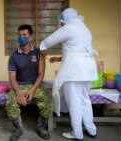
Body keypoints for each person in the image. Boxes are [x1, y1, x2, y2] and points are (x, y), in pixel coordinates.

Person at [40, 8, 98, 141]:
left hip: (75, 71)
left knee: (74, 101)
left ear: (66, 18)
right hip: (88, 69)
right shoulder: (84, 28)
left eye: (62, 20)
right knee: (84, 99)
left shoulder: (69, 28)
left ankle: (77, 133)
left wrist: (41, 48)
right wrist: (59, 59)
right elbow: (77, 50)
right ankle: (91, 129)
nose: (61, 23)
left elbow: (49, 40)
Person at [5, 24, 54, 141]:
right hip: (20, 85)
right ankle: (18, 129)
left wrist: (32, 90)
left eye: (24, 35)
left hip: (35, 85)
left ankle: (41, 127)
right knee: (10, 103)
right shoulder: (13, 56)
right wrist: (18, 93)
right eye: (19, 35)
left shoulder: (38, 53)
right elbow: (12, 78)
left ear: (30, 37)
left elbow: (41, 75)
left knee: (49, 101)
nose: (22, 37)